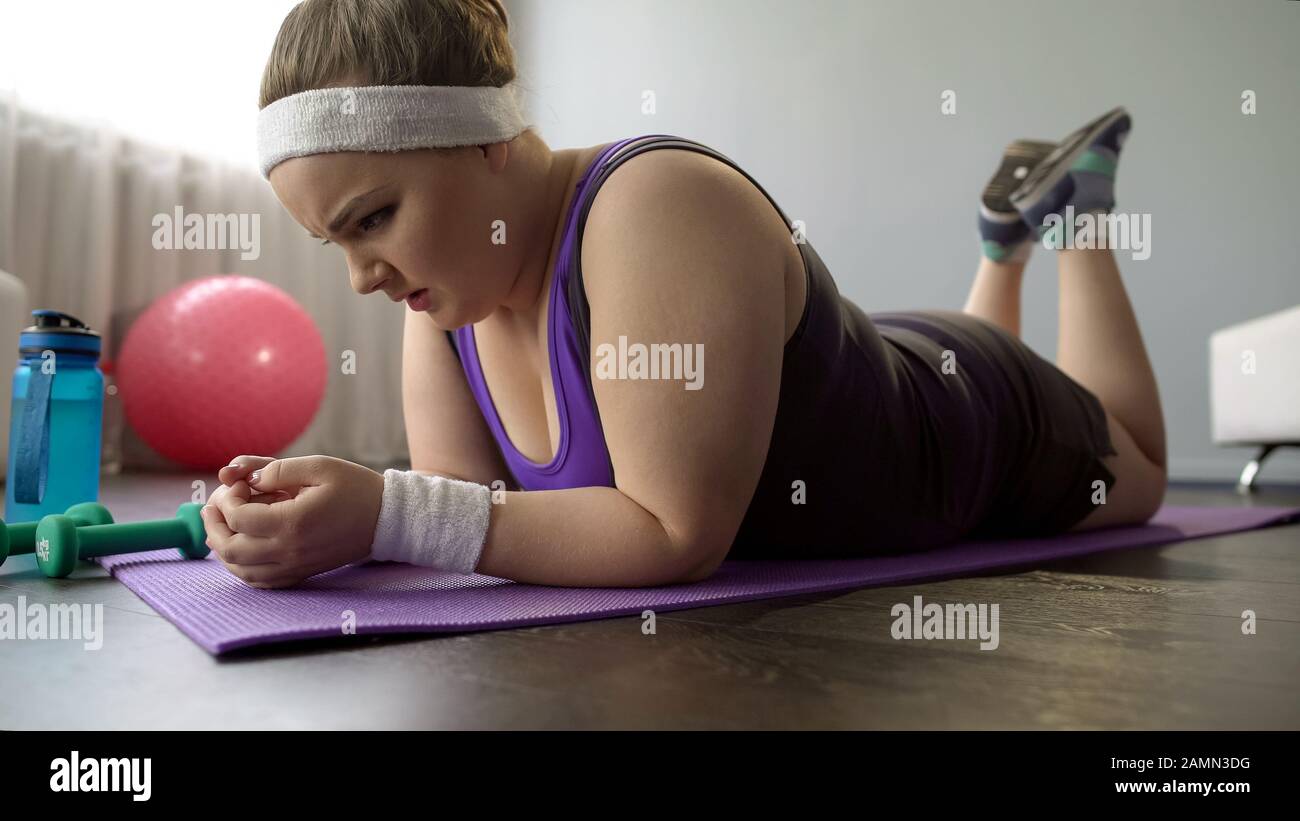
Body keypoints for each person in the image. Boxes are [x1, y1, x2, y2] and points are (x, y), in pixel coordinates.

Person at [203, 0, 1166, 589]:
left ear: (487, 137)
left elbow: (672, 533)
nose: (362, 276)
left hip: (976, 418)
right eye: (335, 241)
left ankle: (1073, 215)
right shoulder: (447, 296)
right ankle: (1003, 243)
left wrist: (384, 514)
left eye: (374, 218)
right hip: (882, 369)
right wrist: (303, 521)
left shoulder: (657, 203)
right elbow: (459, 519)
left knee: (1143, 472)